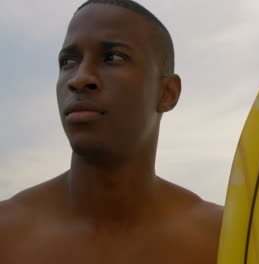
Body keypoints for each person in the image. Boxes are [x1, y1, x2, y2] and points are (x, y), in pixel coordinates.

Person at [0, 0, 223, 263]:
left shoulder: (221, 238)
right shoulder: (7, 234)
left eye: (113, 57)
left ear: (167, 93)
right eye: (68, 61)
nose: (79, 78)